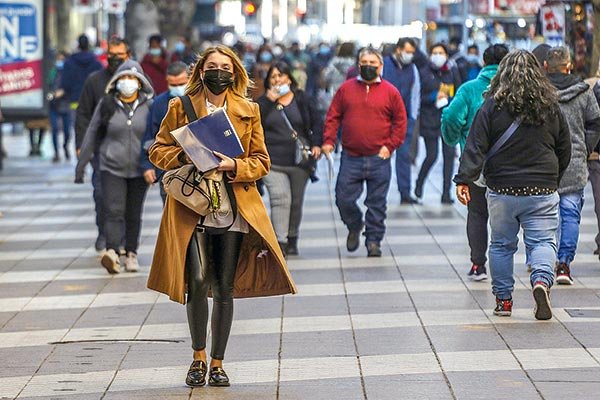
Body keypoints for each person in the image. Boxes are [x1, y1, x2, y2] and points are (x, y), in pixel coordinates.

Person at [146, 45, 297, 387]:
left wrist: (234, 164)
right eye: (212, 66)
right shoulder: (179, 106)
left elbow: (262, 161)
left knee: (224, 288)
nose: (218, 72)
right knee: (197, 281)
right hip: (191, 205)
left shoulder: (249, 110)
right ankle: (198, 357)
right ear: (200, 71)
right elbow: (156, 150)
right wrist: (186, 155)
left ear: (234, 73)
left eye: (225, 67)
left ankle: (218, 362)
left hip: (233, 207)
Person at [454, 50, 571, 320]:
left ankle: (504, 301)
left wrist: (464, 179)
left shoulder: (491, 105)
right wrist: (554, 178)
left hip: (502, 190)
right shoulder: (550, 105)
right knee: (542, 240)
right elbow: (564, 147)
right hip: (541, 187)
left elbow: (476, 146)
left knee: (501, 245)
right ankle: (541, 281)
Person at [322, 47, 407, 257]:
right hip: (351, 157)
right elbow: (333, 116)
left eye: (373, 63)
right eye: (365, 62)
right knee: (343, 198)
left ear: (381, 66)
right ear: (358, 65)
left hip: (379, 157)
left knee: (377, 203)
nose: (368, 66)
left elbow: (400, 122)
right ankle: (354, 224)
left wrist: (390, 146)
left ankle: (373, 241)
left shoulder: (391, 92)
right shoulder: (346, 89)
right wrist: (329, 141)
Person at [75, 60, 154, 274]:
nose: (127, 82)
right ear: (116, 81)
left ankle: (131, 253)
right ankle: (112, 252)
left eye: (132, 78)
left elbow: (156, 136)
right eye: (123, 78)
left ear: (140, 82)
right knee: (113, 210)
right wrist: (80, 168)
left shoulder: (149, 106)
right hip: (111, 167)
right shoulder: (106, 104)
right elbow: (91, 134)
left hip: (139, 170)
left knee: (133, 213)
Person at [441, 44, 509, 281]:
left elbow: (450, 117)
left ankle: (478, 264)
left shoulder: (469, 89)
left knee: (477, 213)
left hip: (474, 164)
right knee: (507, 214)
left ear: (483, 61)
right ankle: (508, 264)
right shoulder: (515, 89)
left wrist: (454, 138)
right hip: (509, 164)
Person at [545, 46, 600, 285]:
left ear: (546, 67)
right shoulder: (584, 92)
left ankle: (541, 262)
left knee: (543, 216)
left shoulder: (538, 93)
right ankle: (564, 264)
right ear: (569, 66)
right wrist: (586, 148)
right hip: (575, 162)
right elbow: (596, 123)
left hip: (543, 162)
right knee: (570, 214)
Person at [256, 61, 323, 256]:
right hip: (272, 161)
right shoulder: (262, 103)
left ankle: (292, 236)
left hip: (298, 161)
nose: (278, 80)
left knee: (295, 201)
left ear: (289, 79)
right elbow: (253, 126)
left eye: (281, 76)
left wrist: (317, 144)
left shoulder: (302, 99)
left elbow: (317, 122)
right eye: (273, 77)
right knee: (280, 198)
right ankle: (280, 241)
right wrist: (268, 101)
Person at [76, 36, 131, 252]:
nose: (115, 59)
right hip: (102, 150)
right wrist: (81, 144)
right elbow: (82, 114)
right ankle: (104, 233)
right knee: (101, 194)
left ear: (128, 56)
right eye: (112, 55)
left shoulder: (137, 82)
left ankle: (123, 238)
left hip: (129, 151)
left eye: (120, 55)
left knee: (126, 200)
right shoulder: (95, 80)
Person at [415, 43, 462, 203]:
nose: (437, 55)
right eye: (434, 52)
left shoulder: (451, 72)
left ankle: (446, 193)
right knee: (432, 155)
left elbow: (458, 93)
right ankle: (419, 183)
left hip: (447, 120)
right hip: (430, 119)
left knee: (449, 156)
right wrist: (433, 97)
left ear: (446, 55)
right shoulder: (424, 73)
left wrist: (449, 100)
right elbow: (418, 97)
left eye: (441, 52)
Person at [140, 61, 190, 204]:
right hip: (168, 171)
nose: (177, 88)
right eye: (173, 85)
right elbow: (150, 136)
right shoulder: (159, 103)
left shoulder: (199, 100)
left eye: (181, 83)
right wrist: (147, 165)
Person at [383, 37, 421, 204]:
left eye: (412, 52)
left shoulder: (412, 69)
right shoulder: (384, 65)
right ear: (398, 50)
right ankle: (379, 193)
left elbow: (415, 94)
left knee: (404, 156)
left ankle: (405, 192)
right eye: (407, 52)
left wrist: (412, 117)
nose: (410, 55)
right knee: (382, 157)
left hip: (404, 119)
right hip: (383, 119)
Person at [61, 34, 102, 111]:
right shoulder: (96, 63)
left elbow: (65, 84)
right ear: (88, 45)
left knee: (75, 122)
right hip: (92, 102)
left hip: (75, 101)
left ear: (78, 45)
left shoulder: (69, 62)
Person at [47, 51, 72, 163]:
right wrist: (52, 94)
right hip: (54, 105)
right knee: (55, 129)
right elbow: (47, 85)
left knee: (67, 131)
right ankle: (56, 152)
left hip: (66, 105)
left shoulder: (69, 73)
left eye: (62, 59)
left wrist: (63, 92)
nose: (60, 61)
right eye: (58, 59)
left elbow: (72, 86)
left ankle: (65, 146)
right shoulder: (52, 72)